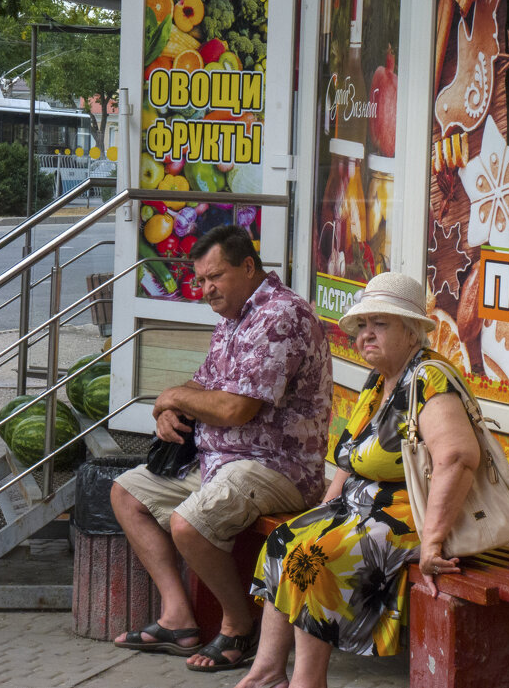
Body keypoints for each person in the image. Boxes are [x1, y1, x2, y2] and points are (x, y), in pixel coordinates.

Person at [236, 272, 482, 688]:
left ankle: (307, 682)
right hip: (361, 508)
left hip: (411, 515)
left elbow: (457, 457)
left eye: (380, 324)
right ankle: (266, 673)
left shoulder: (428, 379)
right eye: (363, 326)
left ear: (412, 330)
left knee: (310, 561)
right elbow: (352, 459)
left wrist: (434, 540)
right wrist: (323, 512)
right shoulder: (381, 380)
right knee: (283, 542)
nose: (367, 335)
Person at [111, 224, 333, 673]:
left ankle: (238, 626)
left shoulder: (280, 316)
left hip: (276, 466)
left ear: (247, 266)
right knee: (126, 493)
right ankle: (178, 618)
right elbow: (203, 384)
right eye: (200, 280)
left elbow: (235, 409)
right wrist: (169, 410)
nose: (205, 289)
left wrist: (173, 397)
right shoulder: (235, 318)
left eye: (214, 277)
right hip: (219, 460)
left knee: (189, 523)